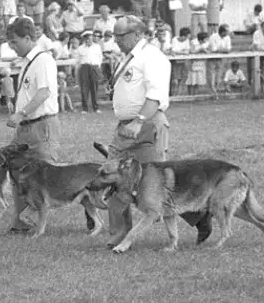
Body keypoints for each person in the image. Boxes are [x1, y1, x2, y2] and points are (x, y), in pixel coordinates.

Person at [106, 15, 210, 247]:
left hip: (147, 124)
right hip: (125, 127)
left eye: (120, 36)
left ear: (137, 34)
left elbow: (155, 94)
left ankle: (199, 216)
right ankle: (119, 238)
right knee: (114, 179)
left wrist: (138, 121)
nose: (116, 40)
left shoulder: (152, 57)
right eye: (114, 35)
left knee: (157, 184)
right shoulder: (130, 57)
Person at [5, 17, 60, 233]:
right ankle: (20, 221)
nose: (12, 46)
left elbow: (44, 92)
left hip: (41, 125)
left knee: (45, 175)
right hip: (25, 127)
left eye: (15, 41)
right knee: (16, 172)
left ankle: (39, 222)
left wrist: (21, 113)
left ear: (28, 38)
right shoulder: (28, 61)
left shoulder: (43, 60)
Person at [76, 30, 103, 113]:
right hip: (84, 68)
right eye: (87, 39)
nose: (89, 41)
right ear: (84, 39)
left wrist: (97, 67)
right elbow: (77, 61)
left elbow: (100, 58)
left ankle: (96, 107)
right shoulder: (80, 48)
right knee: (84, 89)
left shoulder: (97, 47)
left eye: (90, 39)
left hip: (94, 67)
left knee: (95, 88)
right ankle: (85, 108)